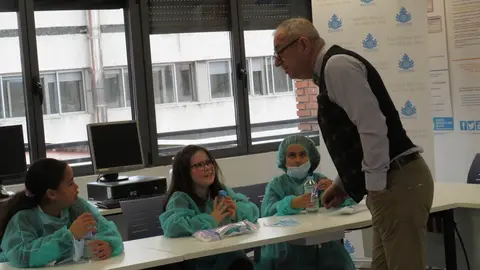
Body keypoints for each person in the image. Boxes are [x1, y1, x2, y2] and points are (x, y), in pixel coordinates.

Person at [272, 17, 434, 270]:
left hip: (398, 183)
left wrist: (377, 189)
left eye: (280, 53)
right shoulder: (329, 71)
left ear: (303, 44)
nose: (277, 63)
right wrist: (343, 183)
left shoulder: (337, 67)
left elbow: (373, 128)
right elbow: (356, 137)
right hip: (391, 182)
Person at [0, 158, 124, 268]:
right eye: (70, 183)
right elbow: (22, 256)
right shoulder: (23, 219)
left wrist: (108, 246)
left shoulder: (77, 207)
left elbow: (108, 231)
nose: (76, 187)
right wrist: (70, 235)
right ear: (52, 194)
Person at [258, 135, 356, 270]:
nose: (298, 160)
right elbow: (266, 213)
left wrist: (335, 190)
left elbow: (351, 202)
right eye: (292, 156)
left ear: (311, 157)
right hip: (288, 249)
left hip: (325, 247)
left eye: (303, 155)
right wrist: (291, 203)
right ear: (283, 160)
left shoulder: (320, 180)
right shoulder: (277, 185)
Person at [160, 145, 260, 270]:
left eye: (208, 162)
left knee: (239, 260)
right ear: (185, 172)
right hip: (199, 261)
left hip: (226, 253)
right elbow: (173, 227)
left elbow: (254, 211)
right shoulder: (180, 198)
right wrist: (212, 218)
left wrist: (236, 212)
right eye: (199, 165)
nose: (207, 168)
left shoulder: (220, 191)